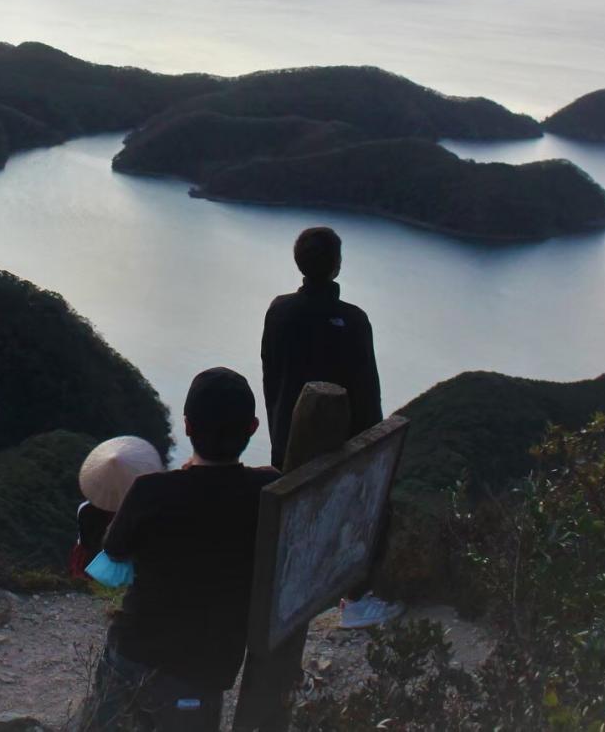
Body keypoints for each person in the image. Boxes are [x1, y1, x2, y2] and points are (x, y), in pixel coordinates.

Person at [81, 368, 279, 731]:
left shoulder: (150, 492)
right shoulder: (268, 491)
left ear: (187, 426)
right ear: (252, 428)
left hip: (135, 653)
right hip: (204, 668)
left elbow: (115, 548)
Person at [259, 225, 399, 628]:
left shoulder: (279, 310)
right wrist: (369, 449)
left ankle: (279, 600)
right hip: (341, 444)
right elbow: (367, 391)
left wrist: (277, 424)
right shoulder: (353, 321)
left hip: (287, 439)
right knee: (354, 517)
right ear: (337, 265)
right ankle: (354, 601)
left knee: (293, 520)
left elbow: (271, 371)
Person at [70, 435, 164, 578]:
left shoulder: (85, 509)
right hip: (132, 566)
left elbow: (84, 543)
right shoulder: (144, 509)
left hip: (90, 566)